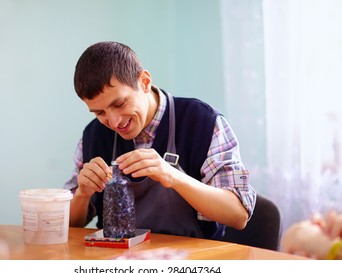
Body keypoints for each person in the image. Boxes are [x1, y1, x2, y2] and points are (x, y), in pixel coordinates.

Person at [64, 41, 256, 239]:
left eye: (120, 103)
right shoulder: (93, 135)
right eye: (99, 113)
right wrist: (83, 194)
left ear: (145, 82)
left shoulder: (203, 122)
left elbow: (238, 214)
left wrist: (173, 176)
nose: (113, 122)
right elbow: (69, 226)